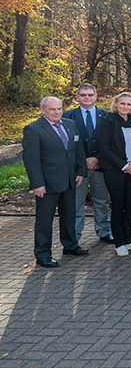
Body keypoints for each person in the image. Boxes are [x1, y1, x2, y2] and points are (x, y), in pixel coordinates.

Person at [23, 97, 88, 267]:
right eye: (52, 109)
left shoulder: (69, 124)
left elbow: (78, 150)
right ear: (43, 110)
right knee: (45, 220)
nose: (57, 112)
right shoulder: (34, 129)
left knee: (69, 216)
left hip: (69, 181)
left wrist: (81, 171)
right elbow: (31, 160)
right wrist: (37, 183)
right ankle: (43, 254)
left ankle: (70, 245)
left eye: (59, 108)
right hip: (47, 184)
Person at [97, 92, 131, 257]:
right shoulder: (107, 121)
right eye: (122, 104)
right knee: (118, 205)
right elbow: (105, 149)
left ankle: (130, 239)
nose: (126, 107)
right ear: (116, 104)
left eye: (129, 104)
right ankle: (119, 242)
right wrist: (124, 165)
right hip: (115, 170)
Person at [63, 83, 111, 244]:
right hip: (77, 169)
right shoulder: (67, 117)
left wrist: (97, 158)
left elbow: (110, 142)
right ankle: (74, 236)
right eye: (83, 95)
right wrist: (82, 161)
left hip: (100, 166)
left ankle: (104, 231)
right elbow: (66, 144)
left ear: (96, 96)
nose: (87, 97)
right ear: (77, 97)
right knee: (76, 203)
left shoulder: (106, 116)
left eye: (90, 94)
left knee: (102, 200)